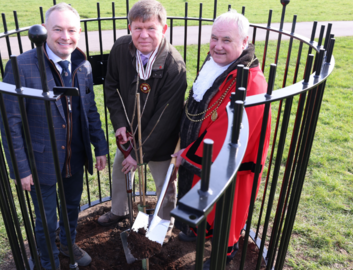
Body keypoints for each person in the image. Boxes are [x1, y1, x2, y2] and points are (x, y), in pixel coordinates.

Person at [0, 3, 108, 269]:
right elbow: (10, 123)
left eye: (71, 30)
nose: (65, 36)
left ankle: (67, 244)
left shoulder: (82, 64)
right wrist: (21, 169)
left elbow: (90, 109)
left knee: (72, 209)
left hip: (75, 154)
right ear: (45, 30)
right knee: (46, 219)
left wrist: (101, 147)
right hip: (41, 161)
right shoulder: (21, 67)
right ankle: (46, 262)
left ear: (79, 33)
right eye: (58, 29)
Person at [173, 10, 271, 268]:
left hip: (231, 161)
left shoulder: (251, 82)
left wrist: (188, 152)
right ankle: (198, 230)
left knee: (226, 206)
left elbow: (230, 132)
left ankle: (222, 254)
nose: (217, 46)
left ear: (244, 41)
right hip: (199, 146)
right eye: (214, 38)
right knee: (201, 193)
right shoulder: (217, 63)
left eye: (226, 40)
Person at [99, 0, 187, 243]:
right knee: (120, 172)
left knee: (165, 187)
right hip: (129, 131)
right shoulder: (120, 48)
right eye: (138, 28)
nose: (143, 35)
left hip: (161, 139)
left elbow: (164, 119)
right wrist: (119, 125)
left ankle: (162, 225)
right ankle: (120, 210)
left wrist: (137, 154)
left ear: (164, 29)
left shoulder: (174, 66)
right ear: (130, 28)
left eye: (150, 28)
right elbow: (111, 87)